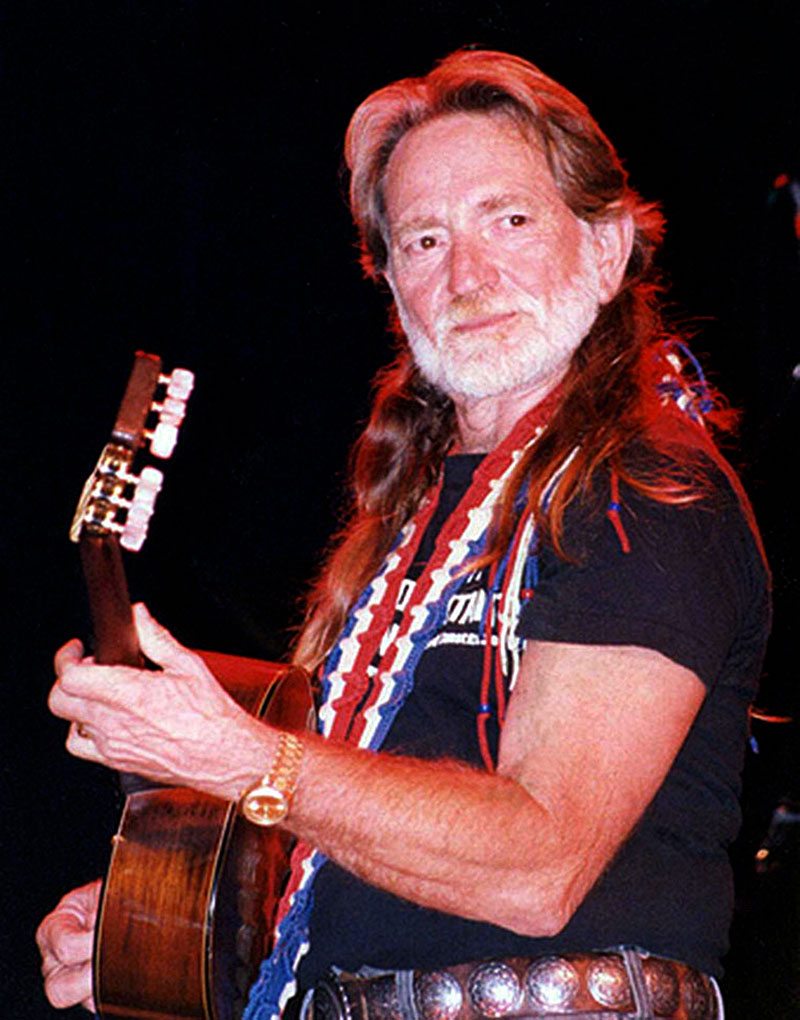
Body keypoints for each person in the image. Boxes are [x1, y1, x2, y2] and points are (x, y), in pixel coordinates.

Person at [37, 50, 770, 1020]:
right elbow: (355, 849)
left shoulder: (644, 487)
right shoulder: (405, 524)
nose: (467, 274)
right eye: (424, 240)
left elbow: (538, 866)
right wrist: (156, 923)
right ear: (391, 286)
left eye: (508, 220)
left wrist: (247, 758)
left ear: (605, 252)